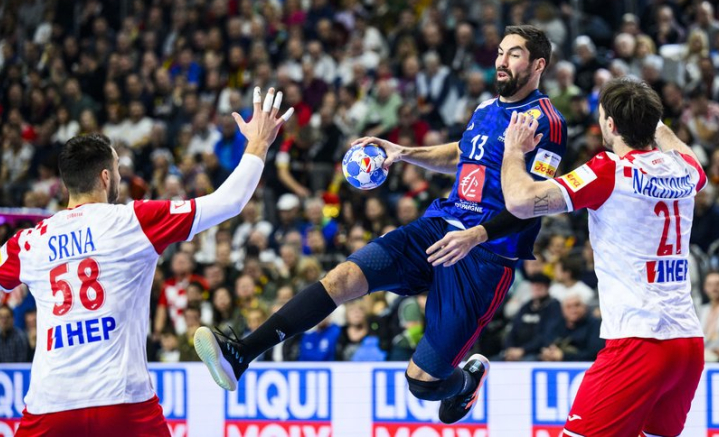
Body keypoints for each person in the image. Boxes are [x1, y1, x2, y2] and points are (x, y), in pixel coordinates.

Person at [194, 25, 567, 425]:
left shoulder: (547, 122)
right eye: (499, 52)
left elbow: (534, 203)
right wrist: (404, 152)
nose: (501, 61)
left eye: (514, 54)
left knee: (422, 383)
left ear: (538, 64)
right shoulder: (484, 111)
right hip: (440, 224)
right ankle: (243, 353)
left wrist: (477, 234)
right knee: (342, 278)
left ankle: (465, 382)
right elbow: (462, 154)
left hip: (485, 254)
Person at [0, 87, 293, 436]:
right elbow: (231, 200)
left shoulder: (30, 242)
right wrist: (259, 143)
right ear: (105, 177)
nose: (118, 176)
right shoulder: (133, 221)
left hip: (50, 406)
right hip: (123, 402)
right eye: (117, 168)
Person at [499, 77, 706, 436]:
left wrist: (513, 150)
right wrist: (654, 124)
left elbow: (519, 200)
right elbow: (688, 159)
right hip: (687, 346)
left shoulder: (609, 170)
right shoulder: (684, 169)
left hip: (638, 344)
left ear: (610, 125)